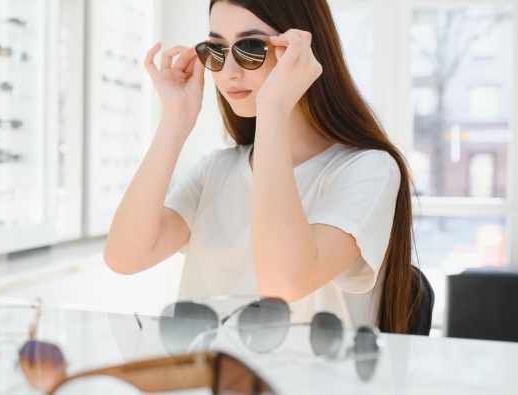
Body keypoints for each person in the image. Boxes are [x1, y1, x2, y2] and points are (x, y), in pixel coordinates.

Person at [103, 0, 420, 334]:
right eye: (216, 50)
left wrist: (273, 109)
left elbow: (282, 284)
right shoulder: (217, 169)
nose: (229, 72)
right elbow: (124, 257)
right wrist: (176, 118)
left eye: (251, 47)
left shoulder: (368, 169)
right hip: (211, 380)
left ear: (302, 50)